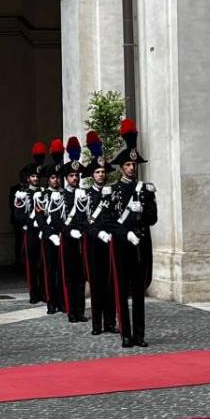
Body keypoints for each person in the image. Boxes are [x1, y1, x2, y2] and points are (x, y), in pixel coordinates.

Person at [110, 119, 157, 348]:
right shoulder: (114, 191)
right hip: (122, 246)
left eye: (134, 164)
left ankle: (139, 333)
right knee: (122, 290)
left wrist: (143, 213)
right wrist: (124, 234)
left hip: (141, 245)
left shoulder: (146, 189)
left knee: (139, 291)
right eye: (128, 165)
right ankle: (125, 334)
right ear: (122, 167)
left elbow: (153, 218)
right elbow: (110, 222)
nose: (132, 167)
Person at [82, 131, 120, 336]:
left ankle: (110, 322)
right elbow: (84, 222)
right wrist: (98, 234)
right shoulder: (86, 195)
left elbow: (115, 217)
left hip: (110, 243)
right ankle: (97, 324)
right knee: (96, 283)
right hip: (94, 244)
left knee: (110, 283)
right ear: (92, 175)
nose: (101, 175)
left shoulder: (112, 193)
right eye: (97, 172)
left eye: (103, 172)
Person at [58, 136, 89, 323]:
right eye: (72, 176)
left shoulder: (83, 194)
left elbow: (87, 216)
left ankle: (81, 310)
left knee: (81, 277)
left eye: (77, 176)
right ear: (67, 178)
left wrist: (83, 229)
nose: (75, 178)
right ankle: (71, 311)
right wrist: (69, 231)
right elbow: (56, 220)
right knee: (69, 277)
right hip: (68, 240)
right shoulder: (61, 196)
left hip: (81, 240)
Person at [13, 142, 46, 304]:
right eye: (33, 176)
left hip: (44, 231)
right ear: (28, 178)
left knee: (44, 263)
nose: (36, 179)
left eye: (38, 177)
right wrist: (32, 222)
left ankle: (45, 292)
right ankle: (34, 292)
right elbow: (18, 215)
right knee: (31, 263)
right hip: (31, 232)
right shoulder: (22, 194)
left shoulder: (45, 193)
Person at [38, 139, 67, 314]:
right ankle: (51, 301)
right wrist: (50, 234)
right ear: (48, 179)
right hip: (49, 236)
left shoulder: (65, 194)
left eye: (58, 177)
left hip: (63, 234)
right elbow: (41, 219)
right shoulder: (41, 196)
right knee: (49, 270)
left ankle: (63, 301)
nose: (56, 180)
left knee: (62, 270)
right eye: (53, 178)